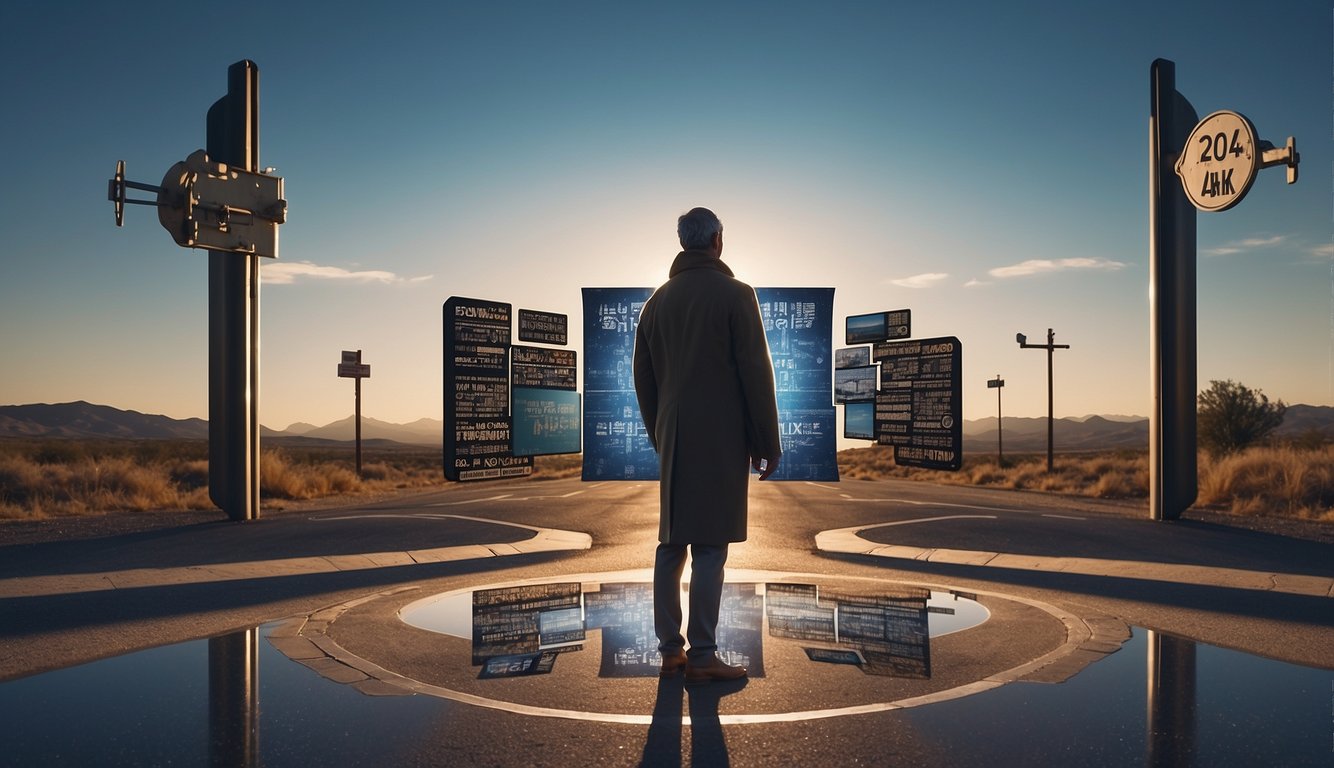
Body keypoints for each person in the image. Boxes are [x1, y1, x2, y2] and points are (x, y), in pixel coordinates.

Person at [633, 206, 782, 685]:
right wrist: (766, 440)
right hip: (721, 436)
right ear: (718, 240)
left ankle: (670, 651)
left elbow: (644, 381)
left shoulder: (655, 304)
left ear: (683, 243)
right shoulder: (738, 296)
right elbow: (756, 373)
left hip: (674, 436)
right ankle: (703, 655)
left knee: (671, 544)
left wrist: (662, 433)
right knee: (711, 547)